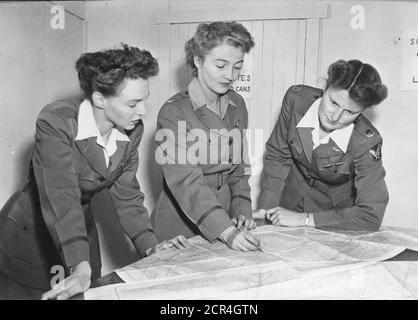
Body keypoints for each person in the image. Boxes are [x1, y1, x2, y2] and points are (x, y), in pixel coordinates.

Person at [0, 44, 189, 300]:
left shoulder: (132, 129)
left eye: (144, 100)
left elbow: (127, 195)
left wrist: (151, 245)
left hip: (80, 226)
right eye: (133, 103)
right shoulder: (56, 121)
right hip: (32, 231)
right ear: (99, 99)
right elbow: (62, 195)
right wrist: (80, 264)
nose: (143, 111)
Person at [151, 21, 261, 252]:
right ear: (198, 61)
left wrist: (241, 209)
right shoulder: (173, 112)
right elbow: (186, 182)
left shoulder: (237, 104)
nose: (230, 75)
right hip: (182, 221)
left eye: (237, 66)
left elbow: (239, 167)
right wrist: (227, 230)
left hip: (227, 216)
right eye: (220, 65)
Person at [256, 59, 389, 232]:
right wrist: (267, 210)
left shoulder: (366, 141)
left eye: (350, 112)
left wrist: (304, 220)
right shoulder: (296, 99)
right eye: (333, 102)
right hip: (285, 204)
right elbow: (278, 156)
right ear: (325, 87)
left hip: (332, 218)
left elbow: (371, 215)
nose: (335, 117)